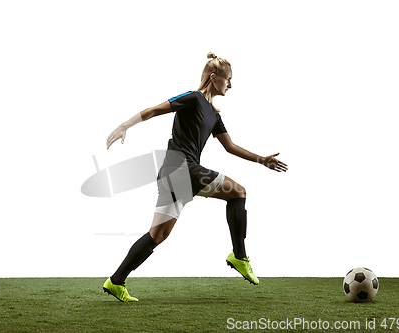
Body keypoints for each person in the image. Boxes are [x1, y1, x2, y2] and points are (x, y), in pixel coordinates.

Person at [103, 52, 288, 302]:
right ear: (214, 77)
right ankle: (240, 256)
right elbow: (157, 109)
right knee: (238, 192)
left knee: (157, 235)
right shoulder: (193, 98)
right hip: (180, 167)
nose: (230, 85)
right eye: (228, 79)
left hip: (177, 174)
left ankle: (116, 281)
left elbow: (230, 147)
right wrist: (124, 125)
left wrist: (261, 159)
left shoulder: (214, 114)